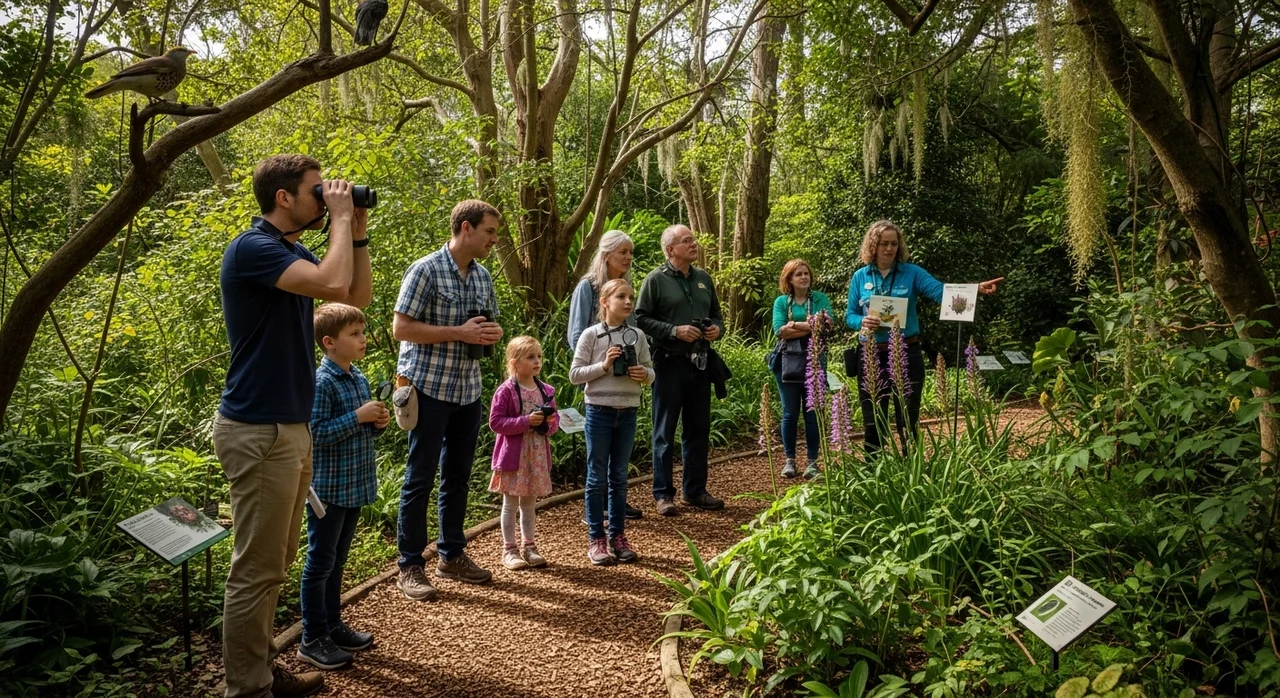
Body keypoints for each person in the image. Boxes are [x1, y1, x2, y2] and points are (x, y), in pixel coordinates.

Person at [214, 154, 371, 698]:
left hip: (289, 428)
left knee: (275, 563)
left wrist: (356, 232)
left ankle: (260, 672)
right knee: (255, 570)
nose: (326, 198)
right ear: (284, 197)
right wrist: (341, 216)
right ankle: (248, 689)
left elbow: (353, 297)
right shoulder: (253, 247)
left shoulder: (291, 252)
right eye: (316, 191)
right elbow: (332, 281)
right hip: (259, 429)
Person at [393, 199, 504, 600]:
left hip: (467, 389)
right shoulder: (425, 270)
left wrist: (492, 333)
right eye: (489, 231)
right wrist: (458, 332)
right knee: (420, 477)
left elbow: (487, 323)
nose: (494, 240)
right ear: (466, 228)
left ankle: (452, 555)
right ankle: (409, 565)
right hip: (428, 388)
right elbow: (401, 328)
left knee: (457, 476)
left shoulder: (483, 275)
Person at [845, 220, 1003, 453]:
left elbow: (941, 292)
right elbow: (849, 315)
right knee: (873, 420)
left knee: (908, 418)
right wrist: (862, 321)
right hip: (871, 354)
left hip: (906, 352)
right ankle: (873, 469)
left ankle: (911, 467)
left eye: (894, 244)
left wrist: (975, 289)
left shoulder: (912, 273)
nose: (889, 249)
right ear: (873, 245)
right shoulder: (860, 276)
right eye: (883, 243)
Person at [297, 303, 388, 671]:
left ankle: (332, 626)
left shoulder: (358, 377)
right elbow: (315, 434)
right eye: (355, 334)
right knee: (320, 562)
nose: (363, 339)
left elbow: (359, 429)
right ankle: (312, 637)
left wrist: (375, 423)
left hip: (354, 486)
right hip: (328, 491)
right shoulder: (321, 383)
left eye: (362, 332)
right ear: (329, 342)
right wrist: (357, 416)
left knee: (337, 561)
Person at [634, 224, 725, 516]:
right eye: (687, 241)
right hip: (668, 364)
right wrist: (674, 331)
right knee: (664, 431)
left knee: (698, 430)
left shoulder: (703, 278)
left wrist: (716, 330)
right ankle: (663, 495)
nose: (694, 244)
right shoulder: (655, 280)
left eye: (693, 240)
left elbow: (717, 316)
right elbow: (641, 318)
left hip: (700, 363)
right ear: (671, 249)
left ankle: (695, 491)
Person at [570, 279, 654, 565]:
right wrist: (604, 365)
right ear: (605, 302)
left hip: (628, 412)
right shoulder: (591, 335)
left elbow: (651, 372)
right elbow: (575, 374)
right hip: (599, 412)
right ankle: (596, 539)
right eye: (621, 297)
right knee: (597, 478)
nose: (628, 301)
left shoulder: (637, 335)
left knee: (619, 477)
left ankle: (618, 536)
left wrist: (644, 374)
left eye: (631, 297)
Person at [566, 229, 643, 521]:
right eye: (623, 252)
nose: (628, 257)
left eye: (630, 252)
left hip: (624, 381)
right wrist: (600, 362)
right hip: (596, 374)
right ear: (607, 254)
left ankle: (615, 503)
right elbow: (576, 335)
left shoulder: (626, 289)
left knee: (619, 449)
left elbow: (631, 332)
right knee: (599, 450)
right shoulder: (588, 287)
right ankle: (596, 509)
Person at [487, 336, 559, 570]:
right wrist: (526, 421)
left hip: (536, 457)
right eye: (530, 357)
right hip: (513, 457)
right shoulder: (506, 391)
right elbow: (496, 423)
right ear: (515, 363)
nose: (537, 361)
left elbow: (555, 422)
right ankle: (509, 549)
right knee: (510, 503)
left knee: (529, 504)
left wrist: (548, 423)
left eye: (539, 356)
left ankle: (529, 546)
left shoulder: (546, 391)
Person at [771, 259, 834, 479]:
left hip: (815, 359)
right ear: (789, 279)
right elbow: (779, 330)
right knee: (789, 413)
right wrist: (811, 326)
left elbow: (827, 326)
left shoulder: (820, 299)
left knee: (813, 412)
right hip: (786, 362)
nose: (804, 277)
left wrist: (794, 325)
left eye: (806, 273)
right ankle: (789, 460)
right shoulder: (781, 302)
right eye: (798, 274)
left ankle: (812, 462)